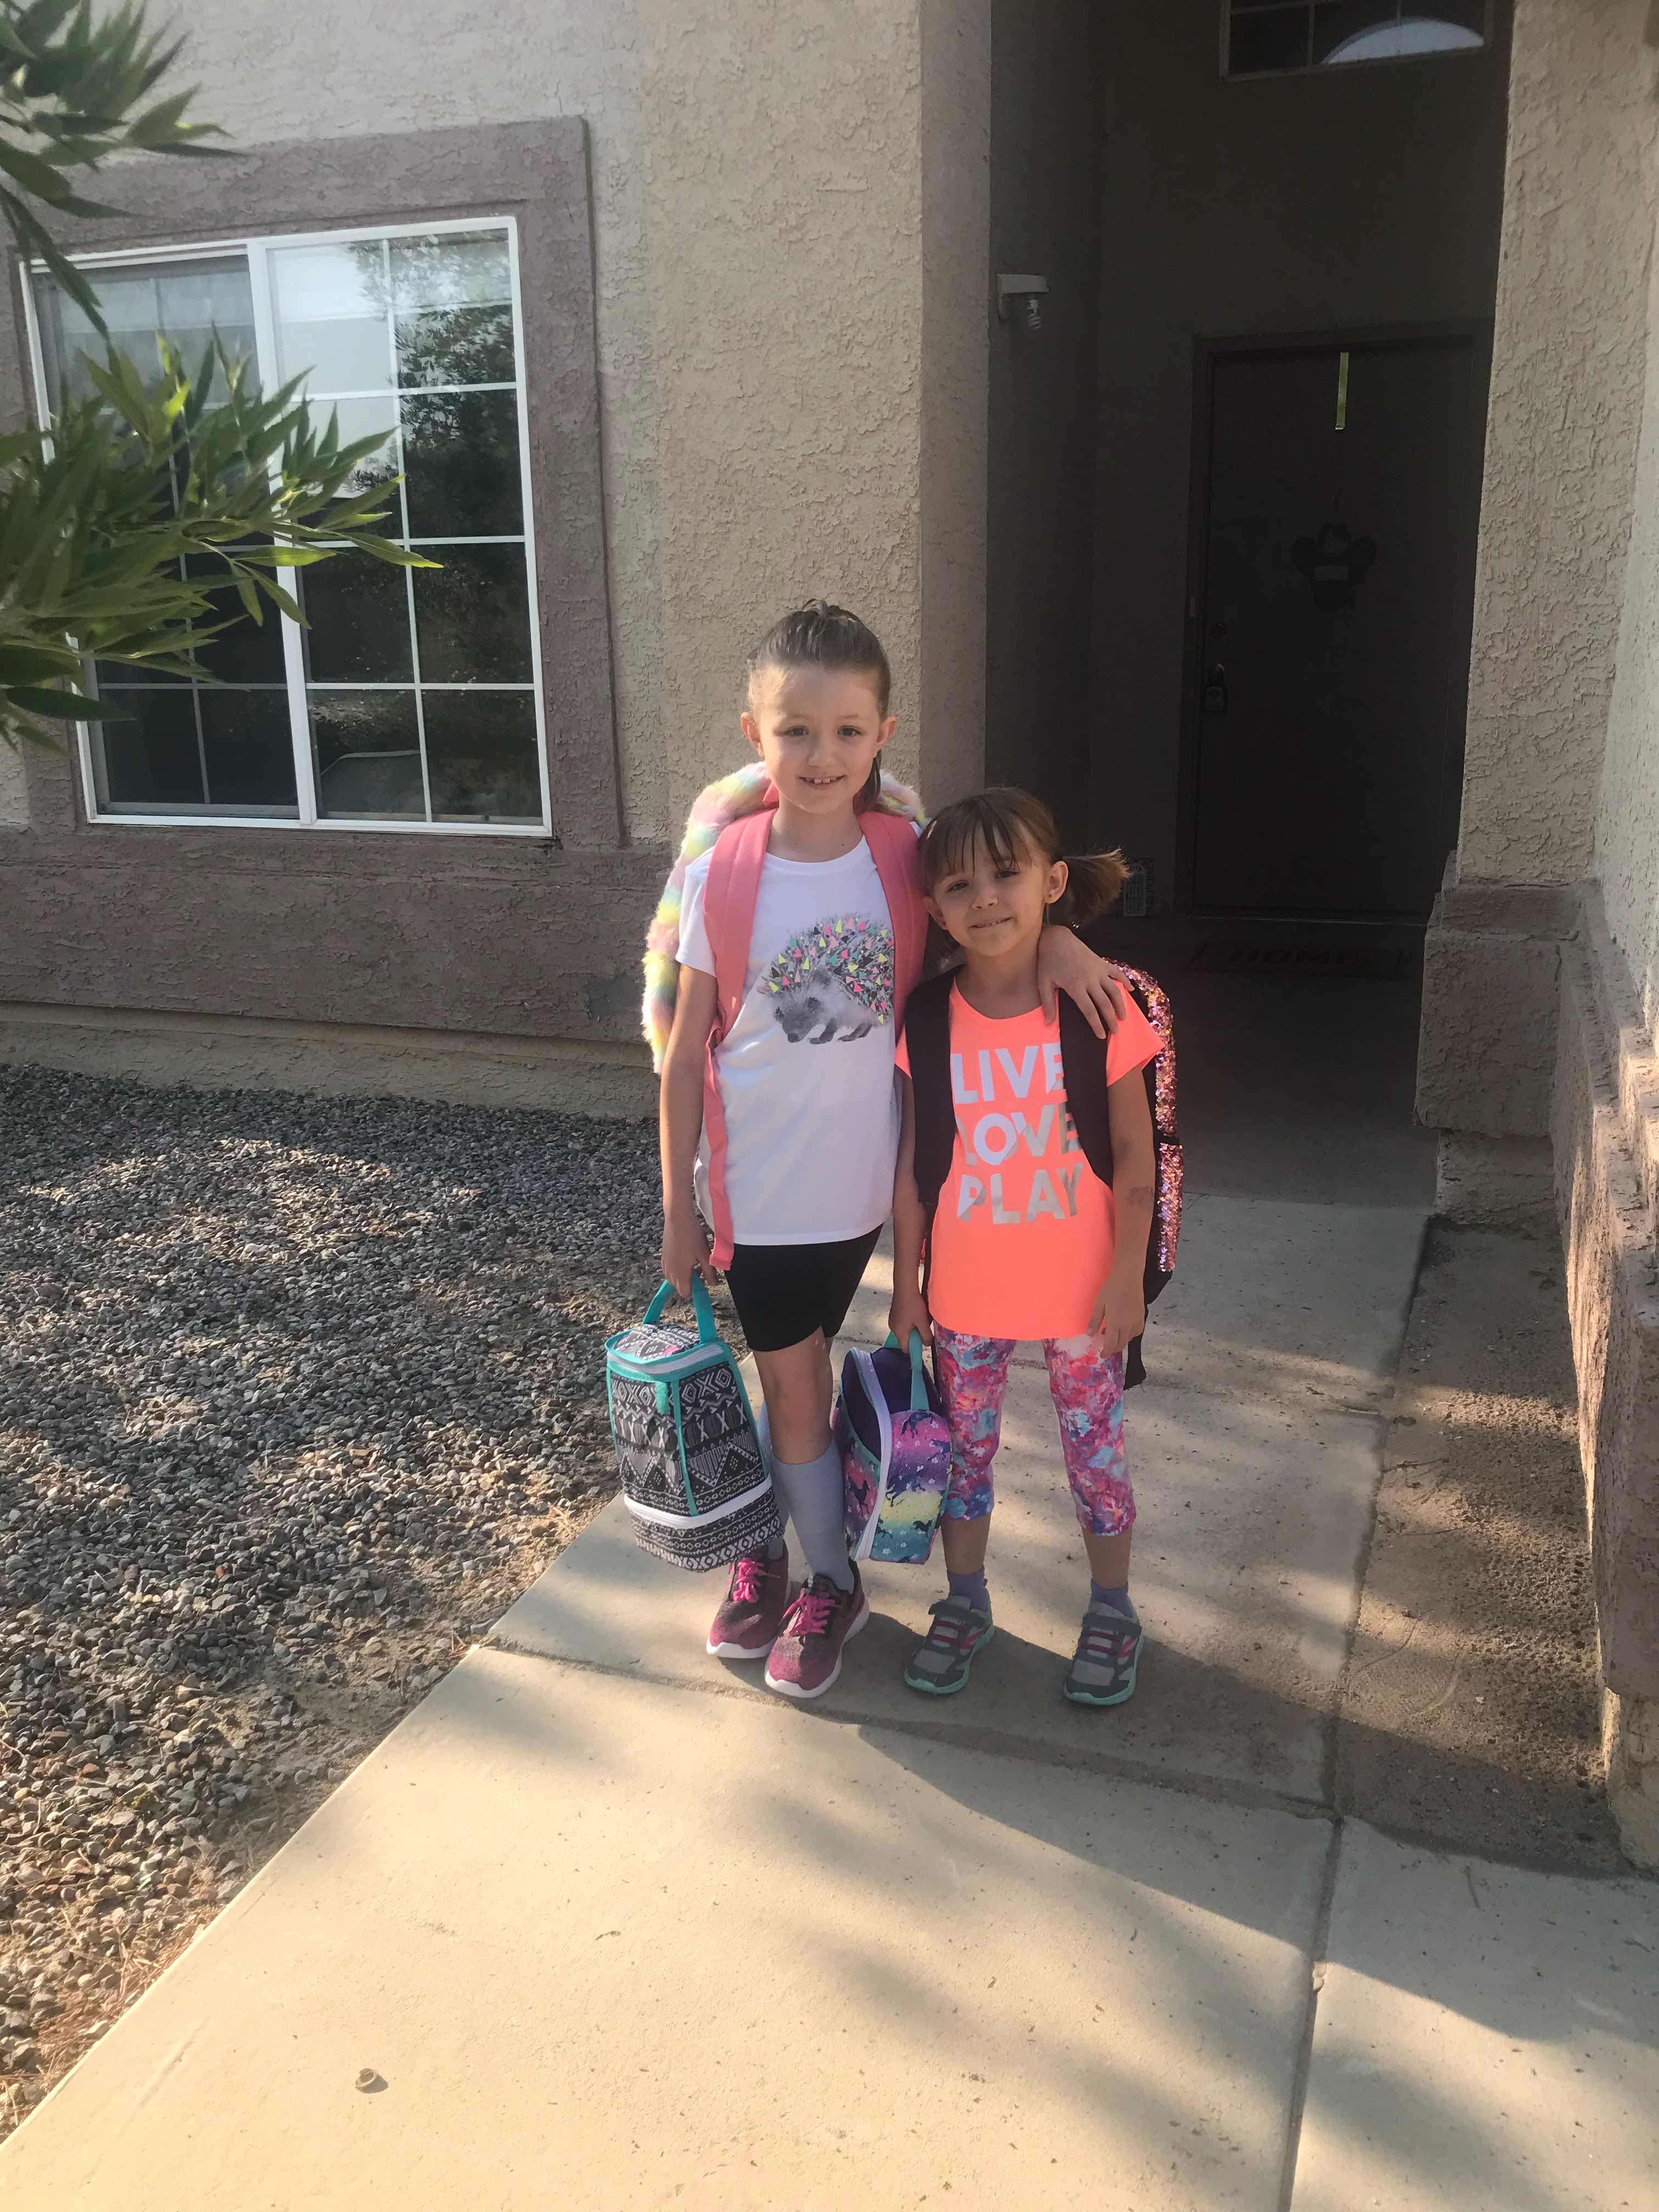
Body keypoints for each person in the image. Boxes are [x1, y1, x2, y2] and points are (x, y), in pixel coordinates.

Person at [657, 603, 1128, 1700]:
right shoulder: (721, 872)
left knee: (806, 1378)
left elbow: (993, 905)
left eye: (846, 730)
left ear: (883, 735)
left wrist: (1062, 939)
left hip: (874, 1185)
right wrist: (679, 1205)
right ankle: (823, 1576)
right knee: (794, 1385)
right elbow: (684, 1055)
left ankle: (784, 1544)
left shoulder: (903, 857)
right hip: (762, 1191)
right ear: (755, 734)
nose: (821, 754)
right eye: (795, 731)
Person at [889, 787, 1164, 1706]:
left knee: (1096, 1456)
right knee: (965, 1460)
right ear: (934, 909)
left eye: (1007, 875)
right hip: (965, 1296)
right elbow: (916, 1164)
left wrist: (1128, 1277)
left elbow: (1135, 1156)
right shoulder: (927, 1019)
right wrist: (906, 1286)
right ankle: (964, 1600)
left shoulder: (1099, 1005)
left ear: (1052, 882)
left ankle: (1114, 1610)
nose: (985, 899)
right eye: (958, 885)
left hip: (1084, 1296)